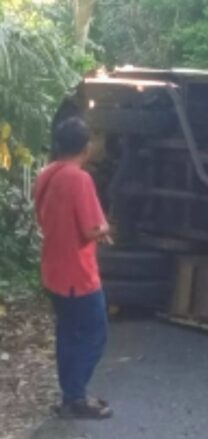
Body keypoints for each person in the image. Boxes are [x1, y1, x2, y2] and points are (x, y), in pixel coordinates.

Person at [34, 117, 113, 419]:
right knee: (95, 333)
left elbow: (47, 217)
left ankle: (69, 394)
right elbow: (93, 228)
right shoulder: (79, 178)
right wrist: (106, 226)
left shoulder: (46, 174)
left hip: (53, 268)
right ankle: (76, 397)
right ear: (86, 145)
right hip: (77, 273)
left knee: (68, 332)